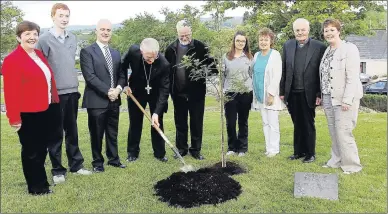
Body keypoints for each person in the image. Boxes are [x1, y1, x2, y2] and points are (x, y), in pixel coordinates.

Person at [2, 21, 60, 195]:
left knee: (41, 149)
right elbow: (10, 93)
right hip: (27, 113)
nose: (32, 37)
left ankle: (41, 182)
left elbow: (47, 81)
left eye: (35, 33)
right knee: (31, 151)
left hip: (45, 109)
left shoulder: (39, 54)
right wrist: (14, 118)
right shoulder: (12, 60)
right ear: (19, 37)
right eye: (27, 34)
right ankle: (36, 188)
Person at [36, 3, 91, 184]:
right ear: (53, 17)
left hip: (73, 91)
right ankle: (57, 170)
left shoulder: (73, 38)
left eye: (67, 16)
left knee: (72, 131)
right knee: (55, 133)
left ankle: (76, 165)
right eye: (61, 16)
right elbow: (40, 68)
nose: (64, 19)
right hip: (55, 94)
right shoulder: (43, 39)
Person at [164, 20, 217, 160]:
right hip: (178, 93)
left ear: (191, 32)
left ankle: (195, 150)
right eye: (182, 35)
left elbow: (212, 67)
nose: (185, 37)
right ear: (177, 33)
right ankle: (181, 149)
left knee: (196, 123)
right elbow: (166, 72)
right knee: (180, 123)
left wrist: (208, 72)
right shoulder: (171, 49)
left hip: (197, 94)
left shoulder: (201, 47)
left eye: (187, 34)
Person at [80, 19, 126, 172]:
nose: (106, 32)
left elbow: (122, 74)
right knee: (97, 134)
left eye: (108, 30)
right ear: (96, 31)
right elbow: (90, 77)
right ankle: (97, 163)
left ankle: (114, 159)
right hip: (96, 101)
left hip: (115, 100)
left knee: (113, 132)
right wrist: (108, 91)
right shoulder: (87, 51)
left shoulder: (115, 52)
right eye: (103, 30)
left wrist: (118, 90)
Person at [279, 18, 326, 163]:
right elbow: (284, 69)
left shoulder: (319, 46)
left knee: (308, 123)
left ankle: (310, 153)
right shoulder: (288, 45)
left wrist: (319, 94)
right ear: (294, 31)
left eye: (303, 30)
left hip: (309, 93)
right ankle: (298, 152)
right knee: (296, 123)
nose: (300, 33)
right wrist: (282, 91)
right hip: (292, 93)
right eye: (297, 30)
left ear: (308, 30)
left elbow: (321, 73)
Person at [320, 18, 363, 174]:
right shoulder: (327, 50)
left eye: (332, 29)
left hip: (344, 98)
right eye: (326, 30)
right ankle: (336, 160)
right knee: (334, 132)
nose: (329, 33)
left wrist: (347, 99)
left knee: (344, 132)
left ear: (338, 31)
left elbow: (352, 76)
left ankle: (352, 166)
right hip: (328, 97)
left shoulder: (349, 49)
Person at [122, 38, 170, 162]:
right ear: (141, 51)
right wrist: (125, 84)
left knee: (157, 122)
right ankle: (132, 153)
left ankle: (160, 153)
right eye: (148, 57)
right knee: (135, 122)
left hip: (155, 93)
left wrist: (156, 113)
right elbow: (122, 66)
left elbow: (164, 90)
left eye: (154, 57)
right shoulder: (133, 52)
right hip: (136, 91)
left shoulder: (164, 64)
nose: (152, 60)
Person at [251, 28, 284, 157]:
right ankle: (268, 148)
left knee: (273, 123)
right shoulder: (256, 55)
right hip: (259, 94)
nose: (263, 42)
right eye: (261, 39)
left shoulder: (275, 55)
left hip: (270, 95)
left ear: (271, 41)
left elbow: (277, 75)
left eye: (266, 39)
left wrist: (271, 94)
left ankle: (274, 149)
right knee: (265, 122)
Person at [223, 31, 254, 157]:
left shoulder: (249, 58)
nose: (240, 43)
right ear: (234, 42)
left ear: (245, 43)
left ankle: (242, 148)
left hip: (245, 92)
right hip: (230, 93)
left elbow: (251, 74)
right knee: (230, 122)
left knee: (243, 121)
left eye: (243, 41)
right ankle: (232, 147)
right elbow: (222, 74)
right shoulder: (226, 56)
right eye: (238, 41)